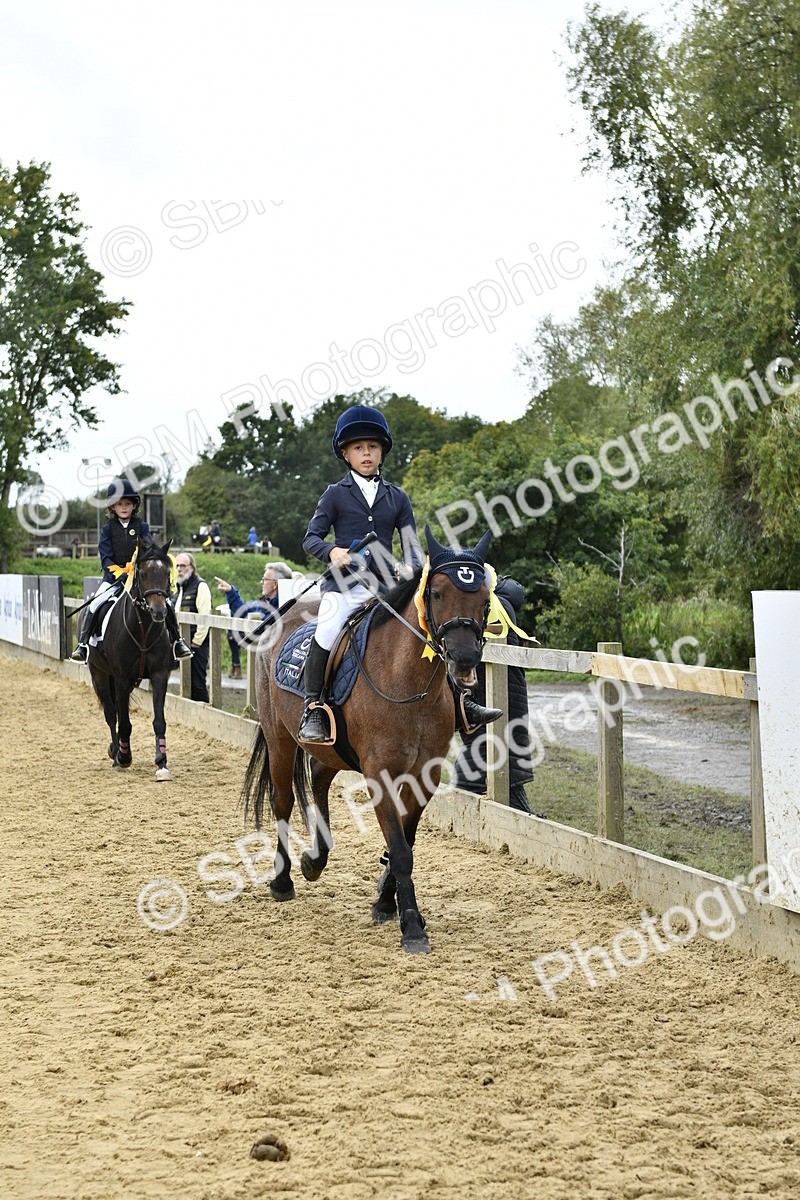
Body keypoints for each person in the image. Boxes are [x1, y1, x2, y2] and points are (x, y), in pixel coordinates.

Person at [297, 403, 501, 742]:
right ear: (346, 454)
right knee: (327, 629)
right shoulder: (334, 495)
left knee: (429, 632)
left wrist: (412, 564)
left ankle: (462, 702)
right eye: (359, 448)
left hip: (386, 588)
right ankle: (314, 708)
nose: (366, 453)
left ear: (382, 452)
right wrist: (333, 551)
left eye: (372, 447)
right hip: (344, 588)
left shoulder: (397, 497)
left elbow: (411, 543)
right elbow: (311, 538)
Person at [71, 478, 192, 663]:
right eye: (120, 504)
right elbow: (106, 558)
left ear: (134, 505)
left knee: (164, 603)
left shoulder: (142, 527)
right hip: (113, 579)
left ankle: (177, 642)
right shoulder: (107, 529)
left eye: (128, 503)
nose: (124, 507)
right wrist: (120, 574)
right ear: (113, 507)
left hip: (139, 578)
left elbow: (148, 550)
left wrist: (139, 571)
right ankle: (83, 644)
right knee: (95, 604)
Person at [454, 575, 536, 814]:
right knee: (508, 787)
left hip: (496, 715)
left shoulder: (490, 610)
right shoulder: (497, 606)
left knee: (466, 786)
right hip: (500, 715)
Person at [215, 562, 293, 678]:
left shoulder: (289, 607)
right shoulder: (263, 603)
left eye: (265, 579)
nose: (261, 582)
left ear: (275, 584)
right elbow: (241, 610)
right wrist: (230, 591)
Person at [174, 552, 212, 701]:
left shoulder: (201, 586)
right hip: (182, 643)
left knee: (198, 685)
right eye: (177, 565)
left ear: (192, 567)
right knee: (185, 683)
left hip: (196, 644)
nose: (179, 569)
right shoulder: (180, 587)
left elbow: (205, 617)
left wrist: (196, 642)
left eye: (183, 565)